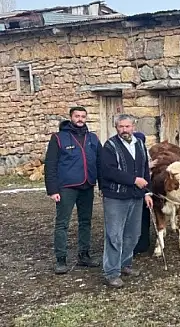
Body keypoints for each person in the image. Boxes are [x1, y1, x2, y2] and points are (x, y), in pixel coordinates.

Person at [44, 106, 102, 274]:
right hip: (66, 188)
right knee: (62, 223)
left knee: (86, 222)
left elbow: (100, 163)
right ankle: (61, 259)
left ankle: (84, 255)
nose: (80, 119)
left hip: (87, 185)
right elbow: (51, 165)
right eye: (77, 116)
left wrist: (102, 185)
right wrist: (52, 189)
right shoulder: (58, 138)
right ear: (71, 117)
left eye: (83, 116)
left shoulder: (92, 138)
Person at [99, 114, 153, 288]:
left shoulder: (139, 144)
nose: (124, 130)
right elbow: (109, 171)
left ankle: (125, 264)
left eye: (127, 126)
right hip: (116, 196)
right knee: (114, 235)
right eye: (121, 127)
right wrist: (133, 180)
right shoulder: (110, 146)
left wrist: (146, 192)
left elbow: (145, 169)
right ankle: (111, 272)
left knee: (133, 234)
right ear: (116, 128)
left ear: (133, 127)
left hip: (136, 196)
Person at [132, 131, 152, 256]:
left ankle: (143, 242)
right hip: (132, 188)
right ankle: (136, 244)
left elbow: (145, 170)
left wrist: (148, 192)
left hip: (143, 189)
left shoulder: (144, 151)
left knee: (144, 216)